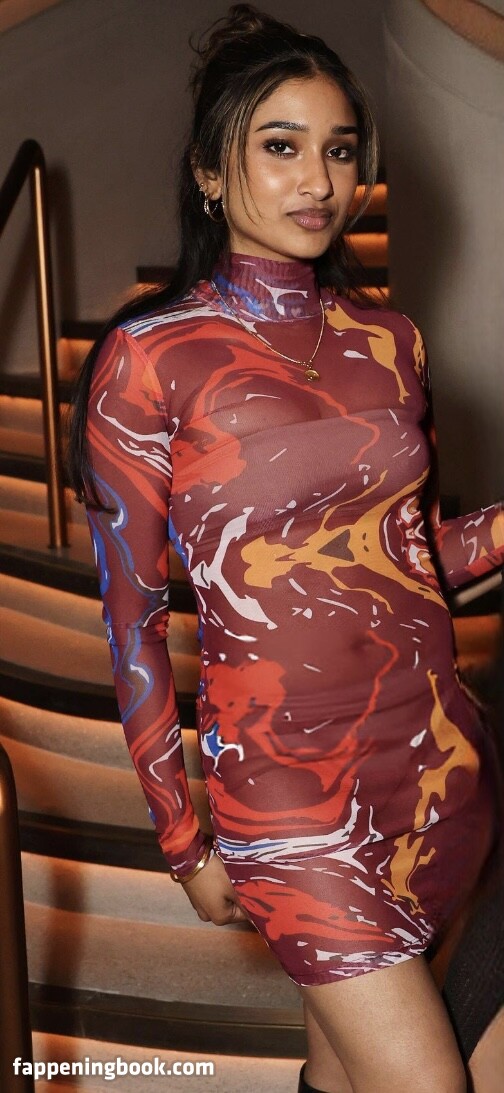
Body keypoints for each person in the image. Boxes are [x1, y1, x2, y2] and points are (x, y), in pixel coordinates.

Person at [68, 6, 504, 1091]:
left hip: (436, 761)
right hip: (286, 788)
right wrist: (182, 834)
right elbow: (133, 620)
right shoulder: (148, 359)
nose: (319, 179)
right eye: (281, 145)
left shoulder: (391, 342)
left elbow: (407, 559)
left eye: (340, 149)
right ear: (210, 174)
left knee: (355, 1066)